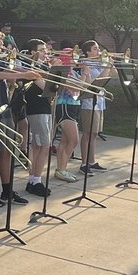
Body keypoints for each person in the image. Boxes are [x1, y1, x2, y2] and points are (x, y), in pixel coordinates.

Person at [0, 28, 41, 207]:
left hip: (5, 107)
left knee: (7, 151)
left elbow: (10, 73)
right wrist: (24, 74)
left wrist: (32, 69)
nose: (2, 45)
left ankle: (7, 190)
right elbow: (3, 73)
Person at [21, 39, 56, 198]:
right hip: (37, 110)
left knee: (37, 146)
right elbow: (48, 88)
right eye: (41, 50)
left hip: (44, 109)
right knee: (44, 146)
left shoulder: (41, 67)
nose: (45, 53)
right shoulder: (32, 69)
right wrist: (54, 71)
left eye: (45, 50)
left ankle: (33, 179)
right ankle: (36, 180)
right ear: (32, 53)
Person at [77, 40, 113, 175]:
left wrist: (110, 64)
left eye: (98, 48)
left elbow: (112, 74)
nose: (98, 51)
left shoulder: (98, 62)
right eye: (95, 49)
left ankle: (92, 162)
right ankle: (84, 164)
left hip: (99, 102)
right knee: (87, 133)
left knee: (94, 134)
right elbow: (97, 81)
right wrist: (107, 66)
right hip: (89, 102)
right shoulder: (86, 63)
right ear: (88, 52)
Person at [54, 49, 83, 183]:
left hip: (73, 107)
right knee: (74, 140)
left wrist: (85, 73)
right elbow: (75, 88)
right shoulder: (63, 72)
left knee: (65, 141)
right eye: (72, 56)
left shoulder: (73, 72)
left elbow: (84, 86)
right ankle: (62, 169)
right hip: (65, 106)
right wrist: (85, 75)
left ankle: (61, 169)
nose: (76, 58)